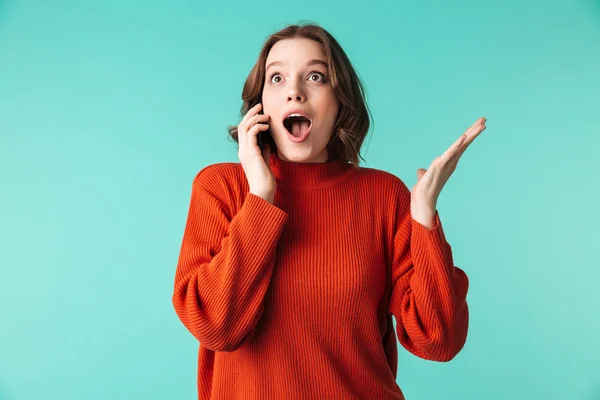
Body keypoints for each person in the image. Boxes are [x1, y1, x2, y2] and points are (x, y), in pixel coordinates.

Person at [172, 22, 486, 400]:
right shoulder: (220, 188)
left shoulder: (384, 196)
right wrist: (260, 198)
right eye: (277, 78)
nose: (294, 92)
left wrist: (424, 217)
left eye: (316, 77)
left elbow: (439, 340)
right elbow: (216, 326)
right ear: (260, 106)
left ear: (339, 102)